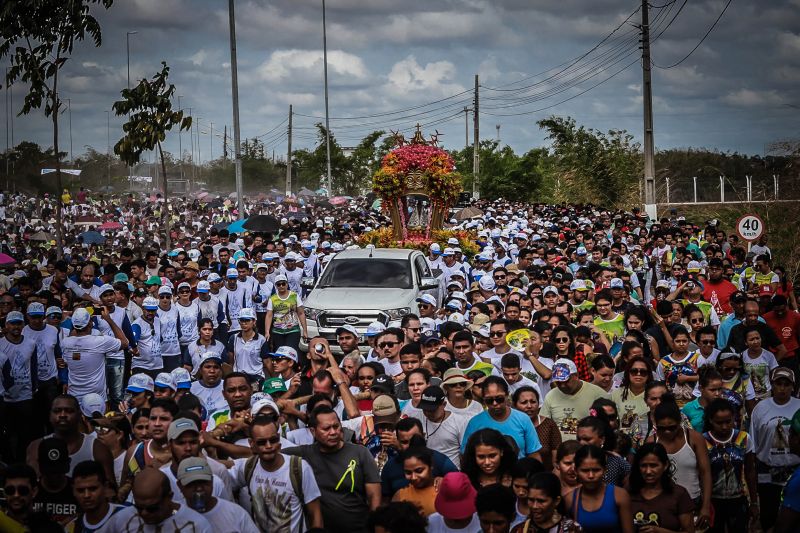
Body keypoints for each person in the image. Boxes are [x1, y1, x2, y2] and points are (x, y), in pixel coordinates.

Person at [282, 406, 380, 532]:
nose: (333, 432)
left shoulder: (360, 453)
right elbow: (268, 452)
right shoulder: (305, 454)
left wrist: (375, 528)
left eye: (336, 426)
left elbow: (374, 496)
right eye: (326, 429)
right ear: (313, 431)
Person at [647, 395, 712, 529]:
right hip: (663, 503)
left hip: (693, 501)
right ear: (655, 424)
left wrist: (705, 507)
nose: (667, 432)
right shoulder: (651, 442)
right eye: (661, 428)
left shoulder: (694, 438)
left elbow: (705, 473)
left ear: (680, 421)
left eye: (672, 427)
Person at [748, 367, 800, 531]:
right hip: (767, 469)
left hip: (795, 468)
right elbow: (753, 444)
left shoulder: (799, 407)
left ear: (793, 386)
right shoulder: (760, 408)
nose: (782, 388)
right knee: (768, 514)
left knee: (793, 514)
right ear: (771, 385)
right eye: (778, 383)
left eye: (786, 384)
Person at [702, 398, 758, 533]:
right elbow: (701, 473)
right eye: (719, 423)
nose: (724, 427)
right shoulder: (703, 441)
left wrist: (754, 502)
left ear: (734, 418)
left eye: (728, 422)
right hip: (713, 501)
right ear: (711, 420)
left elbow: (750, 471)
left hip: (738, 500)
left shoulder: (744, 438)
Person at [105, 468, 213, 532]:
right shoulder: (121, 520)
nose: (144, 513)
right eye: (138, 507)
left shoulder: (197, 526)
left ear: (169, 497)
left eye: (152, 508)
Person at [461, 376, 542, 460]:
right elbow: (465, 455)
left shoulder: (523, 419)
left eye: (499, 399)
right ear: (484, 399)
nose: (495, 403)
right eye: (489, 400)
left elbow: (534, 454)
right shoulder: (475, 423)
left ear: (507, 395)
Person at [175, 456, 259, 533]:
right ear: (180, 486)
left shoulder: (236, 513)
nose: (199, 488)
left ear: (212, 481)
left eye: (203, 482)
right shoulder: (174, 517)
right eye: (192, 484)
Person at [628, 442, 695, 533]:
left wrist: (660, 531)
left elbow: (689, 531)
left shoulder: (679, 494)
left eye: (653, 465)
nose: (648, 471)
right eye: (643, 466)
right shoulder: (629, 492)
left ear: (665, 465)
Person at [566, 444, 633, 533]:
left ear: (605, 469)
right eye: (585, 470)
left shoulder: (620, 496)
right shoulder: (570, 499)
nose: (591, 476)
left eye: (596, 470)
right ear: (576, 470)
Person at [540, 358, 608, 440]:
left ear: (576, 375)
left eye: (566, 381)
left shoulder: (598, 394)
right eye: (558, 382)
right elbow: (543, 426)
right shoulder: (550, 396)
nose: (562, 386)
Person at [68, 459, 126, 533]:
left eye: (93, 489)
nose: (86, 495)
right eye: (80, 490)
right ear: (73, 490)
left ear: (105, 487)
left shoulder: (128, 517)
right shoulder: (71, 528)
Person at [418, 385, 469, 468]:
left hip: (451, 473)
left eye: (432, 410)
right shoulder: (418, 419)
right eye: (425, 409)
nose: (428, 413)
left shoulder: (460, 421)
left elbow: (465, 453)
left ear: (444, 404)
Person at [512, 385, 561, 471]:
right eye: (524, 402)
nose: (529, 406)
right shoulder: (511, 425)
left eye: (533, 402)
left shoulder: (549, 424)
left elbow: (556, 458)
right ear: (514, 405)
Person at [32, 437, 78, 526]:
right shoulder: (30, 491)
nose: (54, 476)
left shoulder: (79, 490)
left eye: (58, 471)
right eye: (49, 472)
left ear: (68, 463)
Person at [511, 471, 577, 533]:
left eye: (541, 501)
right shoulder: (520, 530)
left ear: (556, 501)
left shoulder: (572, 529)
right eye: (531, 500)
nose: (535, 506)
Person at [391, 438, 439, 516]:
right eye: (408, 472)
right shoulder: (400, 496)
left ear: (431, 466)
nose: (413, 477)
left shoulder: (442, 489)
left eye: (419, 471)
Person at [774, 407, 800, 533]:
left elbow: (784, 524)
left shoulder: (798, 480)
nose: (787, 437)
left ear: (797, 439)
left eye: (790, 433)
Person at [681, 365, 723, 432]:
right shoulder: (689, 408)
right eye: (712, 390)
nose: (717, 393)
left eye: (720, 389)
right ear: (701, 388)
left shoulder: (725, 407)